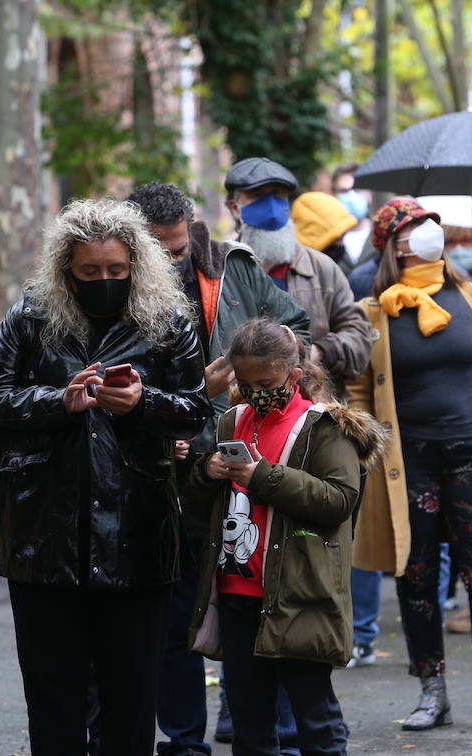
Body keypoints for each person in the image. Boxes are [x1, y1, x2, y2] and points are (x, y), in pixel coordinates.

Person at [0, 198, 210, 756]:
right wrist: (60, 400)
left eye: (116, 271)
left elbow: (197, 408)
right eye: (89, 272)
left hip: (138, 533)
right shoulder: (31, 315)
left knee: (130, 702)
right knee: (52, 701)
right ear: (66, 271)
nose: (104, 280)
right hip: (44, 533)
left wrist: (144, 402)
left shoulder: (170, 319)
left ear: (136, 264)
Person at [126, 182, 310, 756]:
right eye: (156, 250)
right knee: (177, 615)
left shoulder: (233, 268)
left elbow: (297, 334)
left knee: (254, 600)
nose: (169, 260)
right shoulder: (114, 282)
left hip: (241, 462)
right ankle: (183, 742)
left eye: (178, 249)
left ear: (192, 230)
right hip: (162, 470)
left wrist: (255, 369)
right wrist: (180, 407)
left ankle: (265, 734)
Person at [346, 197, 472, 734]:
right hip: (409, 463)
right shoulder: (373, 311)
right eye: (414, 227)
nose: (430, 232)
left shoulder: (471, 296)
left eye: (430, 223)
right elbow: (359, 390)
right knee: (416, 575)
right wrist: (373, 444)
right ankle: (433, 691)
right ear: (394, 244)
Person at [185, 318, 385, 756]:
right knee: (248, 716)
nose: (257, 391)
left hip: (300, 592)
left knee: (314, 713)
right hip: (238, 590)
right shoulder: (232, 420)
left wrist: (264, 476)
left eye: (268, 382)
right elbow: (203, 506)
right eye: (246, 382)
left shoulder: (324, 426)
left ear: (295, 375)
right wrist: (206, 472)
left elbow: (338, 501)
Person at [224, 158, 371, 395]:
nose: (271, 206)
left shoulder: (321, 269)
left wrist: (317, 352)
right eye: (258, 196)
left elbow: (359, 336)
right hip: (241, 412)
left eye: (279, 195)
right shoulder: (221, 271)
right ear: (234, 207)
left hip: (311, 412)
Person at [291, 191, 365, 275]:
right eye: (336, 239)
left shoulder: (339, 268)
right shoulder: (295, 275)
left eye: (343, 236)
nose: (341, 244)